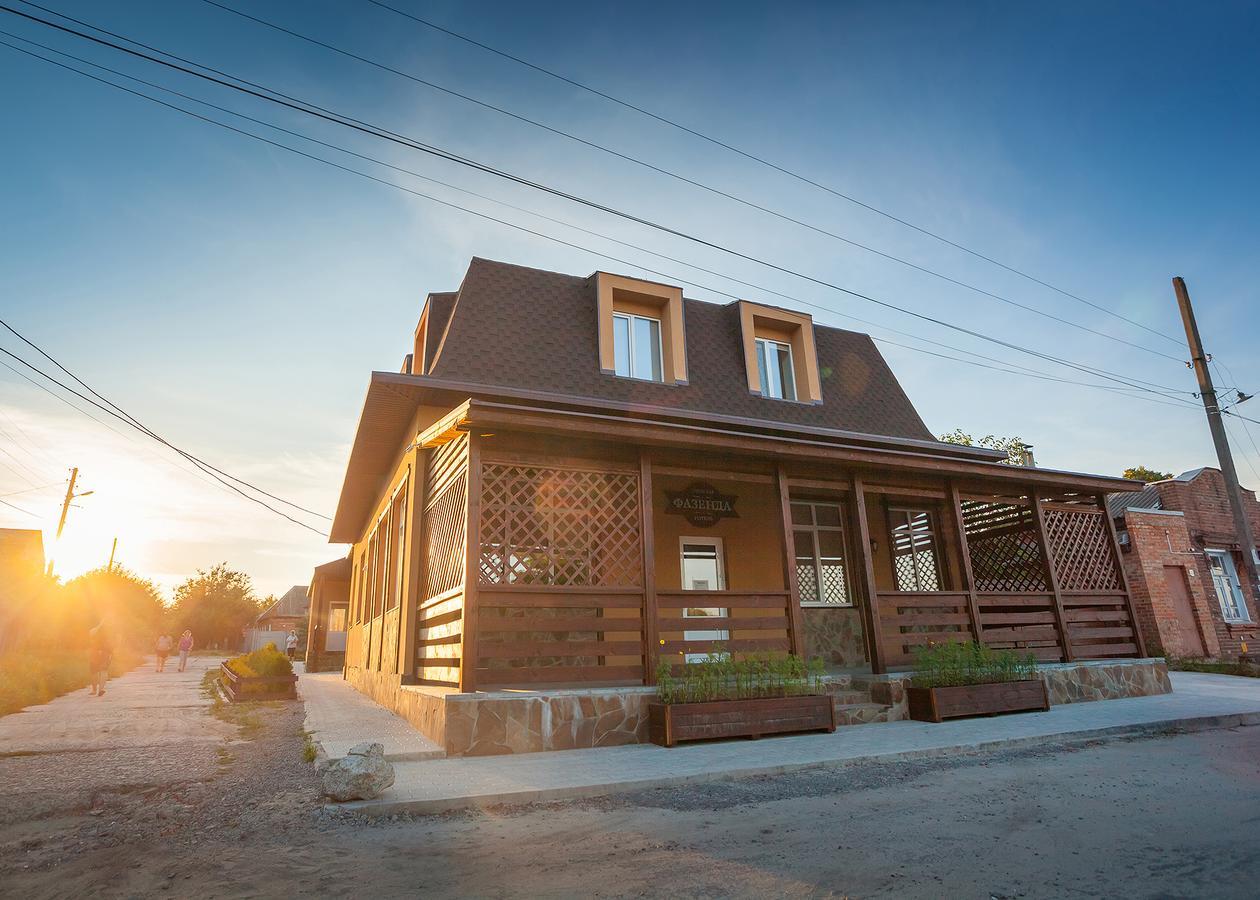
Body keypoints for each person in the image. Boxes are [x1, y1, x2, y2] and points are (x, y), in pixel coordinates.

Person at [87, 624, 112, 697]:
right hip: (103, 653)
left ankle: (95, 690)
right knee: (103, 671)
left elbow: (91, 634)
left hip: (96, 654)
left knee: (94, 672)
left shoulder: (93, 632)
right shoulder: (106, 633)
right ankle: (100, 689)